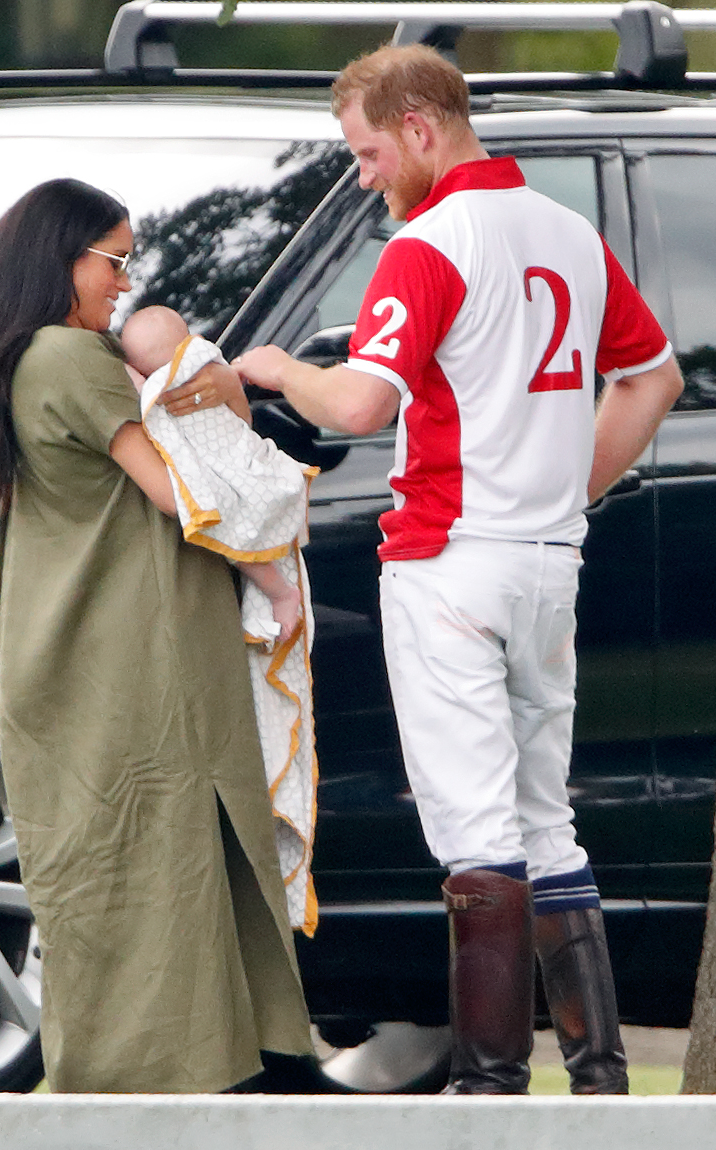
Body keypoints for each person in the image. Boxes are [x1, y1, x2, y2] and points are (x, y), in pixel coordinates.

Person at [235, 44, 685, 1096]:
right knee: (545, 818)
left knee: (477, 832)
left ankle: (488, 1086)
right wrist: (568, 490)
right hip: (544, 563)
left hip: (448, 561)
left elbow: (359, 406)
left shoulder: (430, 244)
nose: (364, 175)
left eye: (369, 152)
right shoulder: (569, 234)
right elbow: (654, 377)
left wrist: (276, 369)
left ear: (422, 129)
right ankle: (600, 1077)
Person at [0, 177, 315, 1094]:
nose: (124, 281)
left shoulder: (19, 361)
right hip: (128, 664)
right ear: (60, 259)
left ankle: (151, 1086)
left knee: (115, 886)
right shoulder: (70, 358)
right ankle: (173, 1089)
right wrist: (273, 528)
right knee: (161, 876)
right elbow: (181, 491)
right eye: (112, 260)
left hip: (70, 662)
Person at [120, 304, 319, 937]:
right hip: (233, 520)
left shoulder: (181, 381)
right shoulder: (186, 376)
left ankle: (276, 590)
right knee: (246, 530)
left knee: (241, 524)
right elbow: (197, 486)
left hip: (231, 504)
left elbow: (198, 478)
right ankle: (278, 590)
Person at [120, 304, 302, 644]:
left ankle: (280, 593)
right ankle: (279, 594)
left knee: (234, 529)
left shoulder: (166, 381)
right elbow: (244, 420)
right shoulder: (211, 362)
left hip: (235, 473)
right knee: (238, 527)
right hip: (249, 468)